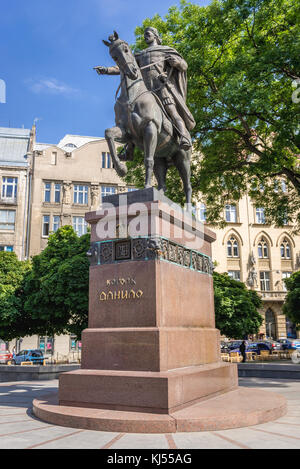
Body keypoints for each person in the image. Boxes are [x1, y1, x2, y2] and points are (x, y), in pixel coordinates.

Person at [96, 27, 195, 153]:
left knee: (172, 112)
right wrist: (107, 70)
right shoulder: (140, 54)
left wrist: (176, 62)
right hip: (144, 91)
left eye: (148, 34)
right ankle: (129, 148)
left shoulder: (165, 50)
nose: (145, 36)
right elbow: (125, 65)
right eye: (144, 35)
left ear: (155, 36)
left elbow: (184, 65)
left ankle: (184, 136)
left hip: (161, 88)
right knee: (130, 117)